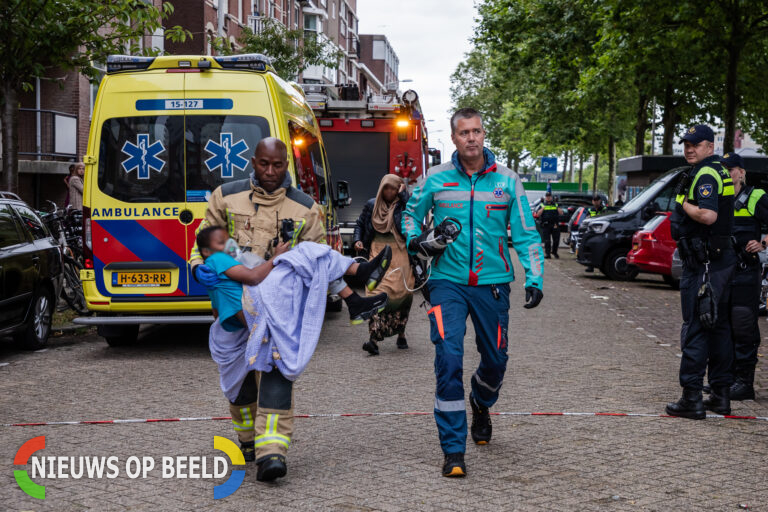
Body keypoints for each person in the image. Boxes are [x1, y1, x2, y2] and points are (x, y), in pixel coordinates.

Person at [189, 137, 389, 481]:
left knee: (278, 374)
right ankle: (248, 439)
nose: (270, 172)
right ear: (253, 161)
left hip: (281, 307)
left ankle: (272, 454)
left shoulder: (305, 207)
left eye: (277, 165)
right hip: (234, 304)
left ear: (287, 165)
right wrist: (197, 267)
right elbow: (203, 243)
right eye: (264, 164)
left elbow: (316, 266)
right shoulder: (226, 196)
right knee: (239, 384)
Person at [402, 108, 544, 477]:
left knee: (496, 361)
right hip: (446, 284)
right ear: (454, 138)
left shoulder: (508, 182)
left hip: (493, 285)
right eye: (463, 132)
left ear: (484, 134)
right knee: (448, 359)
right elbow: (410, 215)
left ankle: (480, 403)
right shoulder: (435, 178)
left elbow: (527, 233)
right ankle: (453, 450)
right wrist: (415, 239)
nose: (471, 138)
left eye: (476, 131)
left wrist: (534, 278)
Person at [666, 124, 736, 419]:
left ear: (711, 147)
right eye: (686, 144)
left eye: (696, 144)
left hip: (704, 264)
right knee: (719, 328)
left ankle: (691, 399)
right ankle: (720, 396)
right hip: (719, 262)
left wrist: (684, 204)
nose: (689, 149)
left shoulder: (706, 174)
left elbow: (708, 215)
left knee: (695, 326)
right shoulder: (720, 171)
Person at [197, 225, 389, 332]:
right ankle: (360, 273)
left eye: (228, 238)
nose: (229, 243)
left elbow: (217, 313)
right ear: (206, 251)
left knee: (314, 261)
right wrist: (276, 257)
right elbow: (253, 277)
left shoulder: (215, 268)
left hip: (255, 305)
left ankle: (355, 299)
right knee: (309, 251)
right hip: (262, 297)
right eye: (221, 242)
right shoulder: (217, 258)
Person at [721, 152, 767, 400]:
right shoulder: (718, 198)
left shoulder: (756, 196)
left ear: (741, 172)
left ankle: (744, 383)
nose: (727, 175)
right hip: (722, 271)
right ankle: (725, 379)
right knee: (722, 326)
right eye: (723, 170)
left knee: (743, 325)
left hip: (745, 271)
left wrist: (763, 243)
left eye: (730, 170)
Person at [354, 174, 414, 355]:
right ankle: (373, 340)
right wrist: (357, 240)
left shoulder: (404, 205)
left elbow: (413, 214)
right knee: (374, 293)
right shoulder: (372, 205)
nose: (389, 192)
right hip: (377, 253)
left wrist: (404, 195)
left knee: (402, 294)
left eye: (394, 188)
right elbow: (360, 225)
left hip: (400, 253)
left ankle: (401, 332)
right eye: (386, 188)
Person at [534, 192, 563, 259]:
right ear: (545, 197)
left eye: (549, 196)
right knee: (547, 241)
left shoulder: (555, 204)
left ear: (551, 197)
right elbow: (538, 214)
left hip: (555, 225)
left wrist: (556, 206)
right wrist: (543, 208)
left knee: (556, 240)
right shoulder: (542, 205)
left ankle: (554, 252)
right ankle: (547, 254)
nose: (548, 198)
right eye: (547, 196)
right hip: (546, 225)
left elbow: (561, 213)